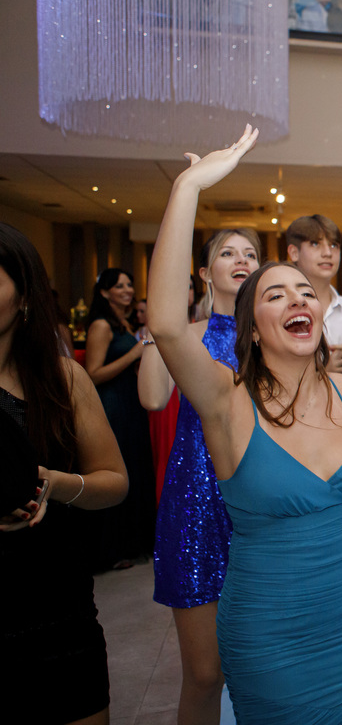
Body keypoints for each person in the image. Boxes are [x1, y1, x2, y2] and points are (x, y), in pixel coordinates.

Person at [148, 124, 342, 723]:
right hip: (271, 635)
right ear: (250, 330)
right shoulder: (226, 400)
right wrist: (188, 187)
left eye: (305, 292)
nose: (298, 299)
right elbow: (165, 324)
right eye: (275, 295)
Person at [0, 222, 129, 725]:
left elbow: (113, 481)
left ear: (24, 296)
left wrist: (54, 484)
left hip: (57, 600)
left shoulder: (62, 378)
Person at [138, 228, 260, 724]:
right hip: (196, 504)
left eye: (250, 254)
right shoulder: (185, 335)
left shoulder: (270, 337)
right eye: (228, 253)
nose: (242, 259)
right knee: (206, 674)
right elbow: (152, 396)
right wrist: (158, 326)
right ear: (206, 273)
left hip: (258, 501)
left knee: (261, 664)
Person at [85, 267, 155, 570]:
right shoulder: (101, 325)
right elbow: (93, 374)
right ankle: (111, 549)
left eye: (129, 284)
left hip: (130, 401)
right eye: (120, 286)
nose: (128, 290)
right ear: (104, 292)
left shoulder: (123, 323)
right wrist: (135, 353)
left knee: (135, 468)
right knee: (119, 471)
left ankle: (131, 542)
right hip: (113, 405)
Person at [285, 213, 342, 378]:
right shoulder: (284, 309)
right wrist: (324, 372)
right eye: (315, 244)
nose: (327, 253)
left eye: (334, 245)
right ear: (294, 252)